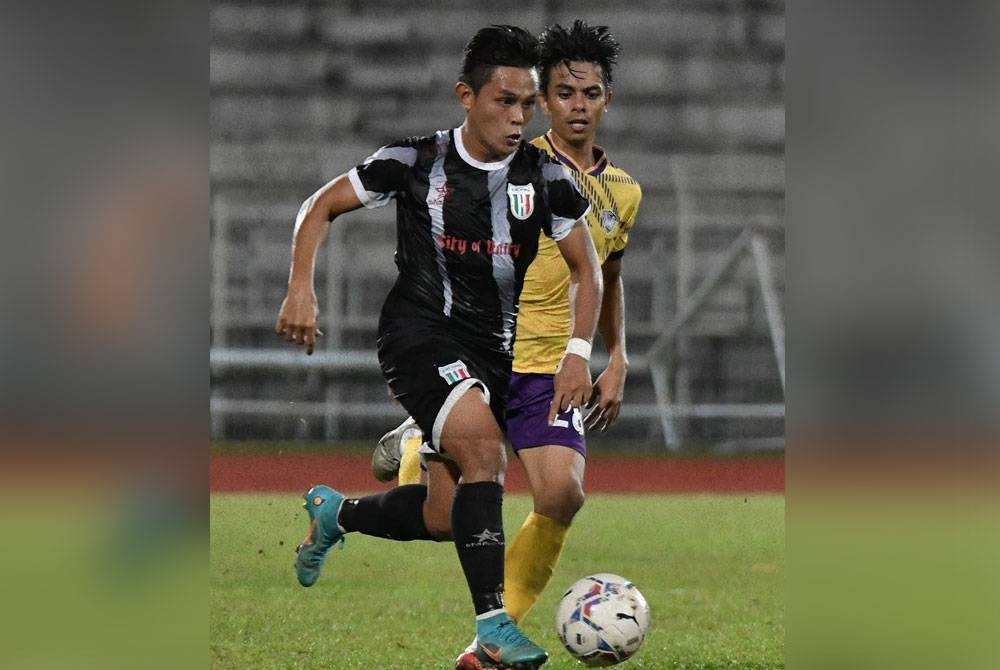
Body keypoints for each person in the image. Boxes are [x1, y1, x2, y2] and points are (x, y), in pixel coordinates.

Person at [275, 25, 603, 670]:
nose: (517, 119)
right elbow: (319, 207)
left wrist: (577, 349)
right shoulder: (413, 161)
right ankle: (493, 631)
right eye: (503, 102)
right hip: (417, 336)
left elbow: (586, 269)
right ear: (466, 96)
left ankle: (337, 513)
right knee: (483, 448)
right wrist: (299, 289)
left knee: (442, 517)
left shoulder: (546, 178)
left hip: (493, 355)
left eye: (527, 105)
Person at [369, 21, 641, 670]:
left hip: (553, 368)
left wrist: (615, 356)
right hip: (485, 357)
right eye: (564, 93)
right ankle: (420, 436)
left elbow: (607, 276)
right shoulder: (510, 163)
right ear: (542, 100)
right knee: (443, 518)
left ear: (607, 101)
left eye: (592, 93)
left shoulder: (624, 192)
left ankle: (488, 646)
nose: (578, 106)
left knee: (561, 495)